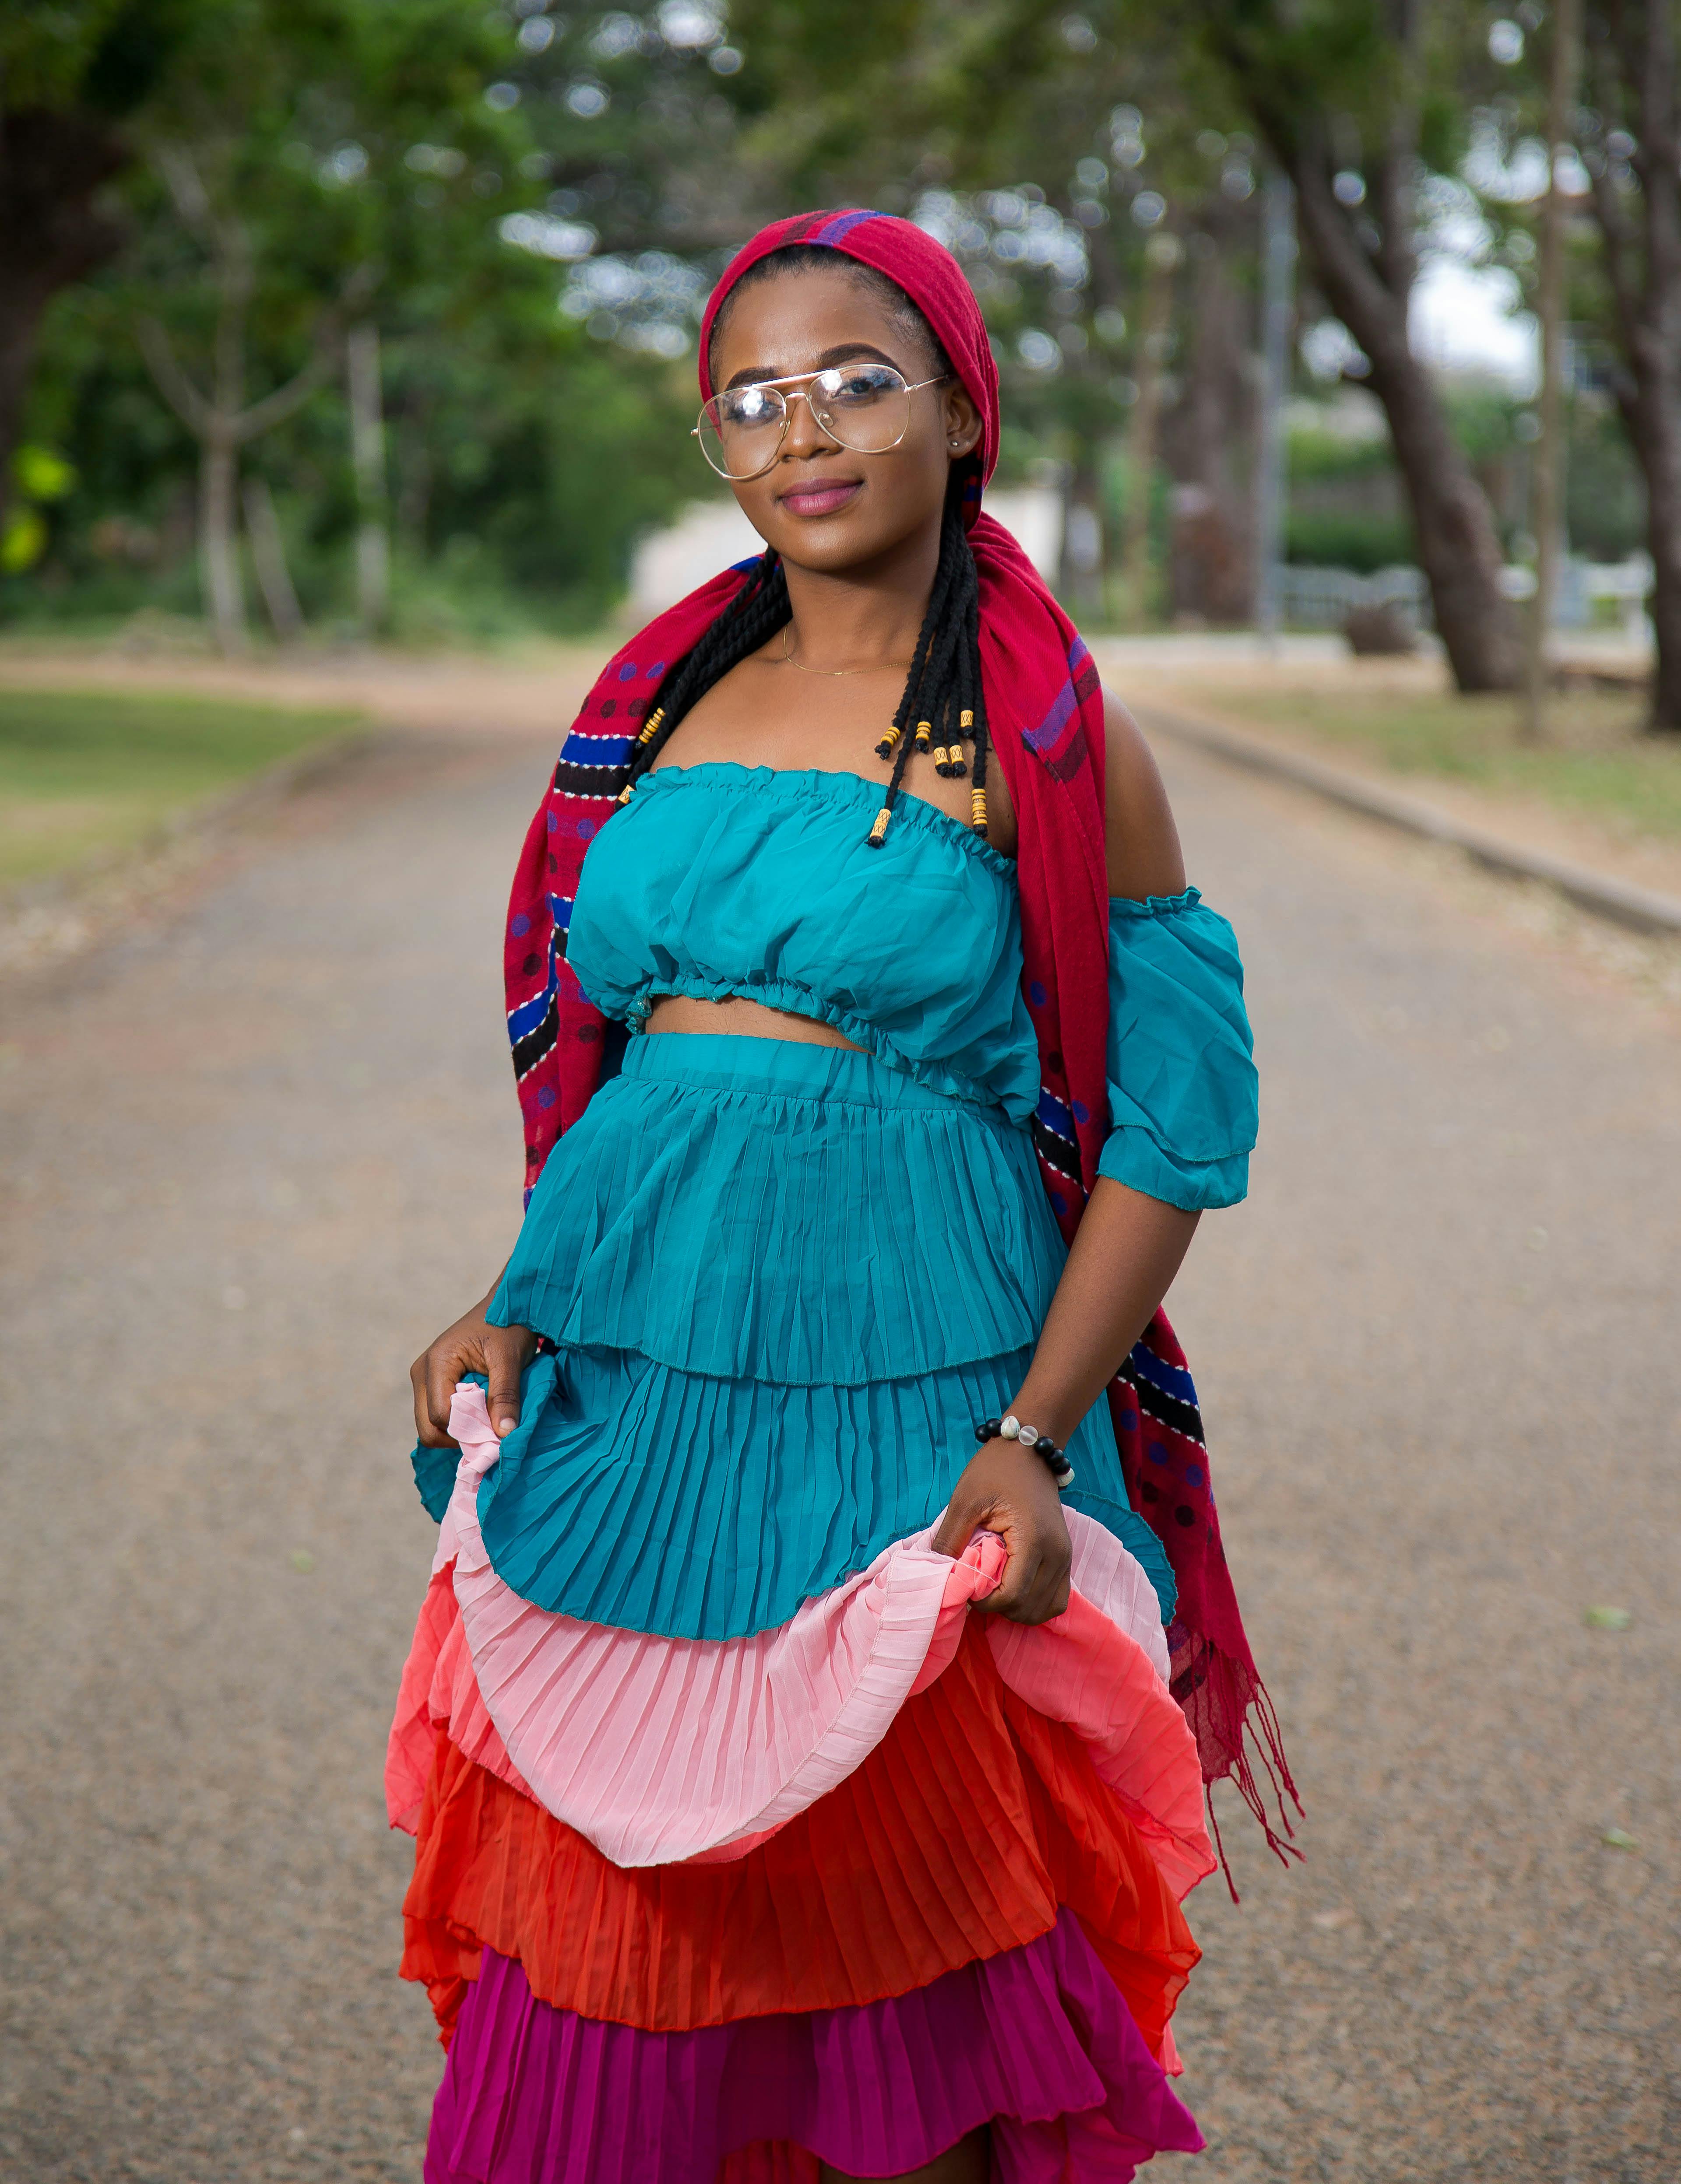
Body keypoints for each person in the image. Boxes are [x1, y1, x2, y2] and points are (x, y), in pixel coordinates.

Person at [390, 209, 1283, 2184]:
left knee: (904, 1957)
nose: (806, 429)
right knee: (618, 1933)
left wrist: (1035, 1442)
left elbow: (1169, 1135)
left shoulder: (1054, 741)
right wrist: (516, 1299)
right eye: (752, 398)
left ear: (963, 412)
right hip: (637, 1384)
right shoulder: (657, 715)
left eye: (860, 381)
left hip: (916, 1396)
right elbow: (623, 1086)